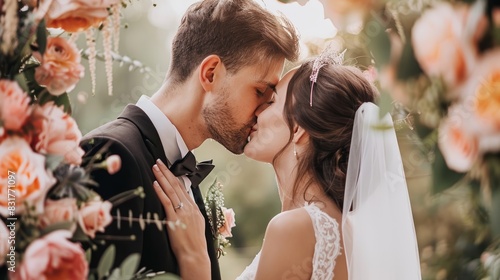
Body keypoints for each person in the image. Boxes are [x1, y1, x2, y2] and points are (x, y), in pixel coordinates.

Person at [80, 0, 299, 278]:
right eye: (259, 91)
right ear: (211, 73)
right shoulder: (111, 156)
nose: (262, 112)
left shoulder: (184, 176)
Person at [152, 55, 422, 279]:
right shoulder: (347, 233)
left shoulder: (294, 227)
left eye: (270, 101)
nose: (256, 111)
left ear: (300, 129)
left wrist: (196, 259)